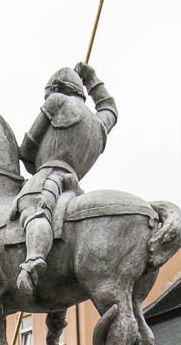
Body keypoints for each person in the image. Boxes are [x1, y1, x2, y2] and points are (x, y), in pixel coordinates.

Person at [13, 62, 118, 295]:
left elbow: (28, 148)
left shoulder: (56, 101)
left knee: (36, 208)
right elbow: (110, 108)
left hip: (49, 175)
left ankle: (33, 260)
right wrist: (92, 79)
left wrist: (30, 160)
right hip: (73, 184)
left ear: (55, 89)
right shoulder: (99, 122)